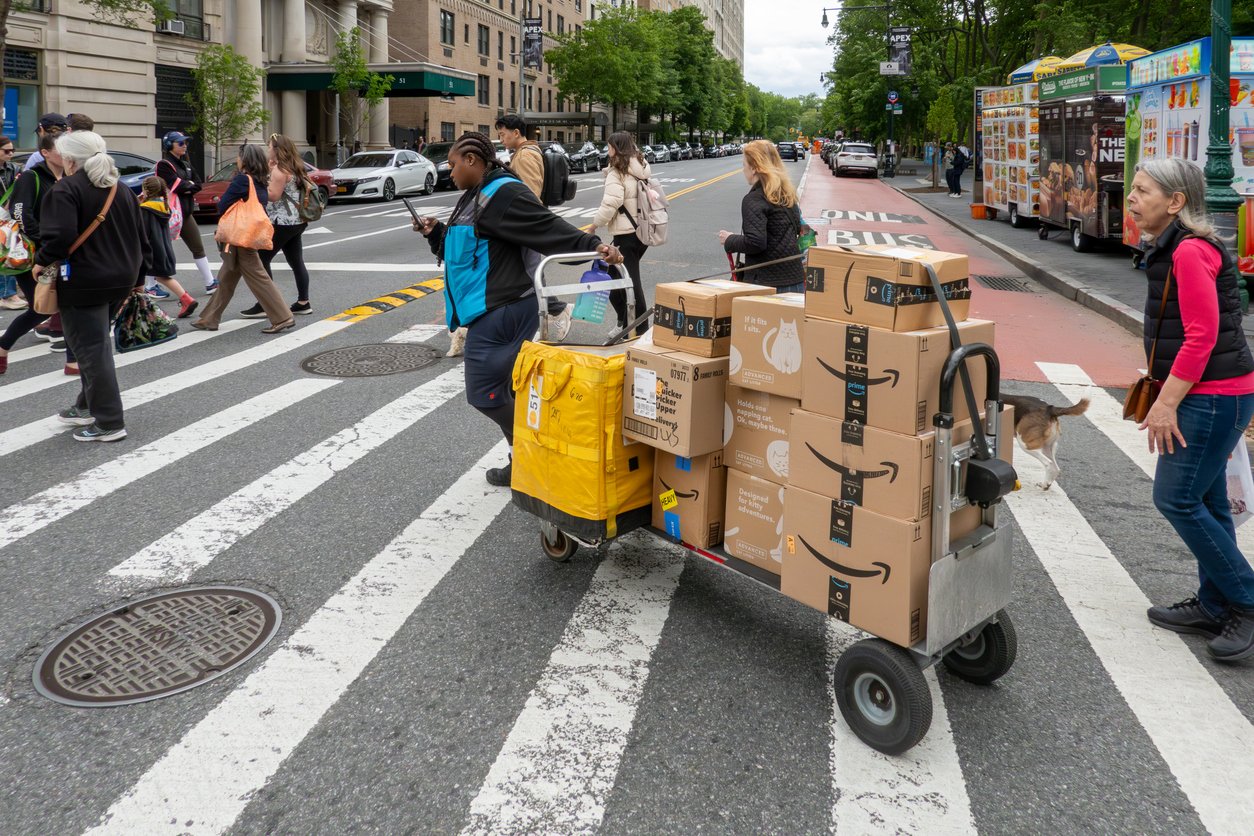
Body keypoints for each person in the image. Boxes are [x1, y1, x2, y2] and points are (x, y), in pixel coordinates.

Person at [413, 132, 621, 486]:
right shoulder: (476, 195)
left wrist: (594, 245)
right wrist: (436, 233)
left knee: (484, 393)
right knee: (506, 390)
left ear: (472, 160)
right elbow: (472, 245)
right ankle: (527, 457)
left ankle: (533, 454)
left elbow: (547, 227)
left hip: (503, 310)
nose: (449, 171)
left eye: (452, 164)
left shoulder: (503, 193)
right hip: (491, 308)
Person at [1130, 159, 1254, 662]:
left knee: (1177, 498)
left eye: (1142, 191)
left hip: (1212, 397)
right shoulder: (1175, 247)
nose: (1132, 199)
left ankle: (1246, 601)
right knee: (1209, 502)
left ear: (1176, 201)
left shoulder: (1187, 252)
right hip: (1220, 393)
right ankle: (1212, 603)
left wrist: (1165, 404)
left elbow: (1202, 337)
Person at [34, 131, 150, 442]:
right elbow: (141, 237)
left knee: (91, 349)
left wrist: (39, 262)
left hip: (84, 280)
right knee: (94, 344)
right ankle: (86, 406)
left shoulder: (66, 190)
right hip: (121, 278)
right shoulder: (120, 189)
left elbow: (57, 238)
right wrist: (139, 280)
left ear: (69, 159)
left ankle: (109, 421)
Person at [192, 145, 294, 335]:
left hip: (241, 237)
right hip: (248, 234)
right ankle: (209, 318)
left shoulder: (242, 180)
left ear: (245, 160)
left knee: (258, 277)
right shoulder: (260, 180)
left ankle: (282, 316)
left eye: (239, 157)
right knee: (227, 276)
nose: (237, 160)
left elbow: (222, 205)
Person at [494, 114, 572, 340]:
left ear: (516, 132)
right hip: (526, 224)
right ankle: (541, 316)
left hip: (526, 224)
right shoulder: (524, 153)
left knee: (531, 273)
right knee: (527, 272)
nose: (501, 139)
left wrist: (524, 223)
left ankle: (557, 309)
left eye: (503, 134)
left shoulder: (525, 156)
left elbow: (529, 194)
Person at [0, 134, 64, 374]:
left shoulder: (67, 177)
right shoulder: (31, 177)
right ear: (46, 153)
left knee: (68, 303)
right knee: (39, 308)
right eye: (60, 150)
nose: (66, 155)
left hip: (60, 251)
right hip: (33, 254)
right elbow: (20, 213)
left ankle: (74, 358)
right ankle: (3, 346)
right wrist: (43, 242)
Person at [717, 139, 805, 293]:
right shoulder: (787, 194)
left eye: (744, 165)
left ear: (754, 168)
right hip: (795, 280)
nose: (743, 170)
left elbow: (756, 243)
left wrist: (729, 239)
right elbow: (798, 227)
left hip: (767, 283)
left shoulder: (754, 199)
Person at [241, 133, 314, 318]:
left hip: (282, 222)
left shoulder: (280, 171)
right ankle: (303, 302)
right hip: (297, 221)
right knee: (296, 261)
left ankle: (265, 304)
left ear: (277, 150)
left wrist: (257, 187)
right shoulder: (295, 167)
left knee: (261, 259)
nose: (267, 150)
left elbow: (272, 196)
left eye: (270, 147)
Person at [589, 131, 652, 335]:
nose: (607, 151)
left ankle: (639, 330)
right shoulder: (640, 167)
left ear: (616, 148)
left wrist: (594, 225)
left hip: (626, 234)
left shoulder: (618, 173)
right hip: (641, 232)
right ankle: (623, 321)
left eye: (608, 147)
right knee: (611, 273)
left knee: (631, 283)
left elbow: (611, 203)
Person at [156, 131, 218, 295]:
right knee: (159, 249)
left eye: (186, 143)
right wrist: (187, 186)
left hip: (185, 213)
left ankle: (210, 282)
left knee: (197, 247)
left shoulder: (186, 164)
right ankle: (149, 285)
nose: (185, 146)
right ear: (170, 145)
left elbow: (197, 184)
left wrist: (188, 186)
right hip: (168, 213)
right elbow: (177, 186)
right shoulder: (164, 165)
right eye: (180, 143)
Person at [138, 176, 197, 319]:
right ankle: (186, 298)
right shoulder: (164, 206)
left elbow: (141, 232)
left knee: (136, 279)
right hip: (163, 248)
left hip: (150, 250)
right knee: (162, 276)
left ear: (146, 190)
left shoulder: (145, 210)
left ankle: (139, 311)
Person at [0, 135, 22, 310]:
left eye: (12, 150)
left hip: (10, 216)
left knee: (11, 253)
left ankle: (9, 294)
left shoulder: (14, 169)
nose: (10, 154)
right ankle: (6, 294)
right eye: (6, 151)